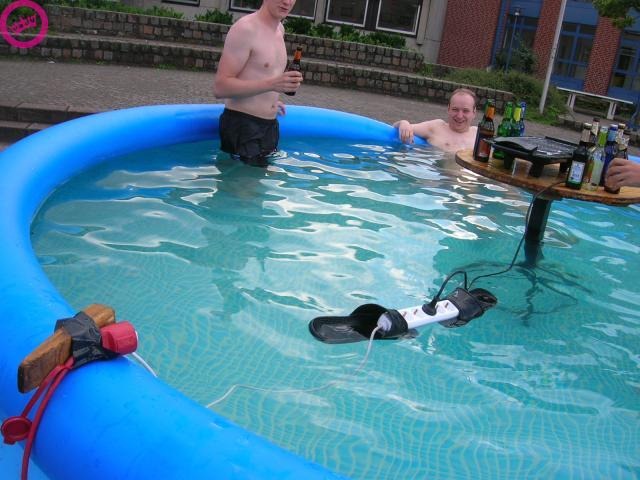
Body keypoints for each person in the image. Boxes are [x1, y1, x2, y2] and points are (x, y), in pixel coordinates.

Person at [213, 0, 303, 167]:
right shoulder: (246, 29)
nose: (287, 1)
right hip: (243, 125)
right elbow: (220, 87)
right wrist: (272, 85)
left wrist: (271, 99)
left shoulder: (279, 30)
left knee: (259, 188)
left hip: (269, 126)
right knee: (244, 189)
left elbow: (260, 75)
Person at [393, 88, 478, 153]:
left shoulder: (479, 135)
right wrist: (403, 123)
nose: (459, 116)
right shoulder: (436, 127)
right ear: (448, 109)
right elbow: (396, 127)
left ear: (474, 113)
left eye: (465, 111)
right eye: (455, 109)